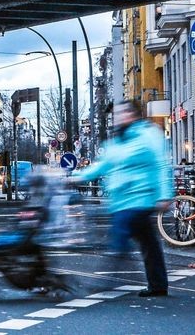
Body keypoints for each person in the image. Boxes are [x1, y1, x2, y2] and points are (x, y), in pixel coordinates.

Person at [70, 100, 172, 298]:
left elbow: (160, 165)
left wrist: (164, 194)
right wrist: (76, 177)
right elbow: (102, 166)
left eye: (122, 113)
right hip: (121, 200)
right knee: (148, 242)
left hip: (139, 198)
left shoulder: (148, 135)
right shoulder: (116, 142)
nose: (117, 118)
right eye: (115, 115)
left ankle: (106, 278)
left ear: (133, 115)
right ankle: (158, 284)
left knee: (121, 232)